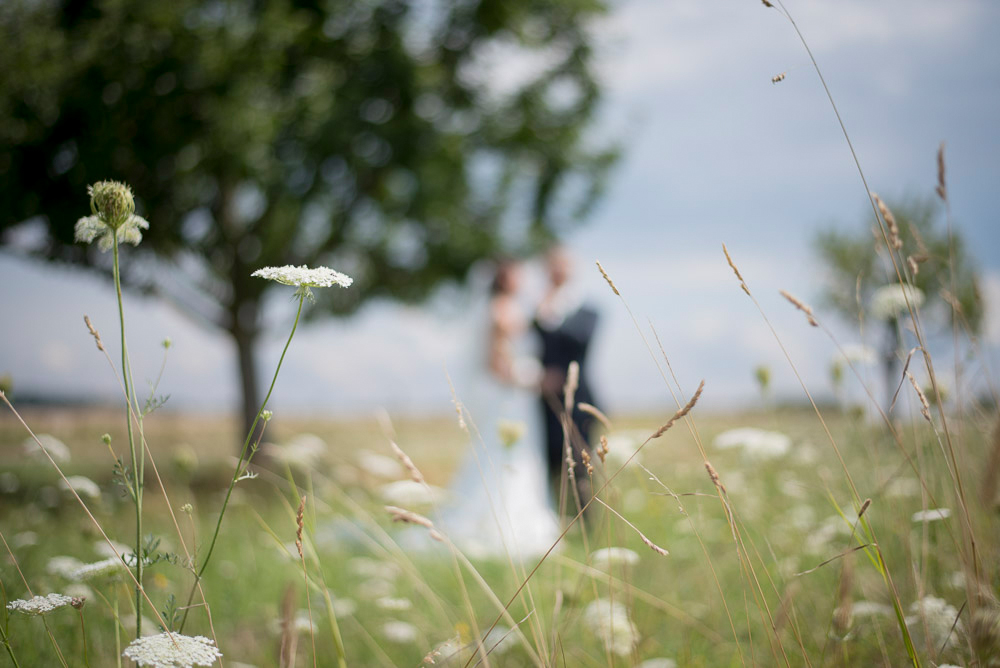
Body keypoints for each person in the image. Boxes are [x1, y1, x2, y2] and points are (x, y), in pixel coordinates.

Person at [438, 259, 561, 560]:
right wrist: (532, 378)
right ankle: (497, 525)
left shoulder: (512, 309)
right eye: (515, 274)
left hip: (519, 399)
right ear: (503, 279)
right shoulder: (498, 312)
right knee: (505, 455)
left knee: (520, 456)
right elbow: (495, 365)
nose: (521, 279)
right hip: (510, 397)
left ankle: (522, 518)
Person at [533, 246, 601, 510]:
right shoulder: (536, 308)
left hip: (580, 401)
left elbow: (580, 340)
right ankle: (555, 517)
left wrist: (550, 315)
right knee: (548, 463)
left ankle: (586, 519)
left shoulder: (587, 309)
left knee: (582, 463)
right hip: (543, 401)